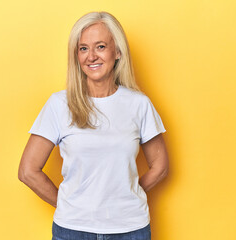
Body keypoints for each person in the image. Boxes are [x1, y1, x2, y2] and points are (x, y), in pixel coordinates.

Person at [18, 11, 169, 240]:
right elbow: (28, 171)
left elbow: (160, 166)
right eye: (83, 48)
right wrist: (71, 206)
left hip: (130, 230)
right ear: (76, 55)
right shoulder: (59, 104)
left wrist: (127, 195)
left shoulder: (139, 104)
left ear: (117, 51)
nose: (91, 57)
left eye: (100, 46)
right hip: (73, 231)